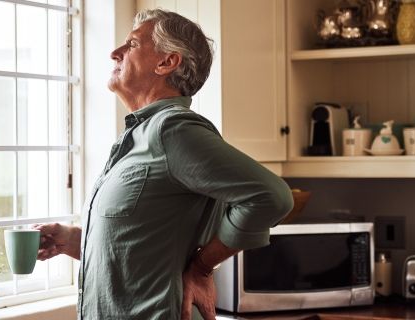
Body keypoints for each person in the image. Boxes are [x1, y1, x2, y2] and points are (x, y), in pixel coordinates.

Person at [34, 9, 293, 320]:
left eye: (130, 44)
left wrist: (202, 267)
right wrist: (76, 240)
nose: (114, 52)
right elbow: (145, 246)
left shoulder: (173, 131)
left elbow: (273, 196)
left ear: (167, 62)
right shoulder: (140, 135)